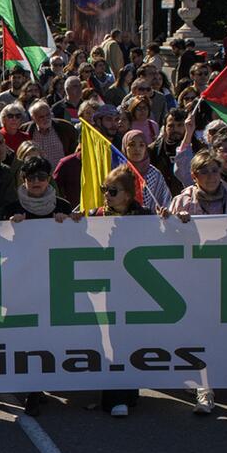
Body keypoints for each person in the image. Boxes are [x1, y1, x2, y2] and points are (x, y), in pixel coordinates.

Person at [84, 169, 147, 416]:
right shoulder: (95, 215)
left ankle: (129, 392)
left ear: (129, 195)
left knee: (131, 339)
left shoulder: (145, 217)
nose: (106, 196)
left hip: (136, 288)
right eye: (104, 190)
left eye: (112, 191)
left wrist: (172, 220)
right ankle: (113, 398)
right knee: (112, 341)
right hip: (106, 290)